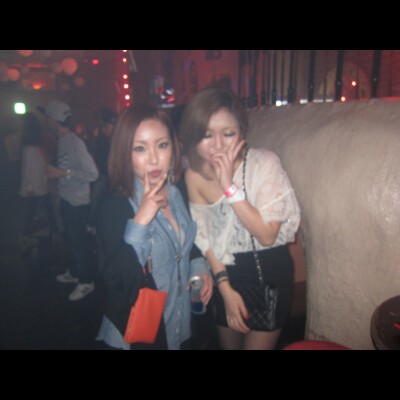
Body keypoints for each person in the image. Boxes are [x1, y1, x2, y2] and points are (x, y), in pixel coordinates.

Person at [179, 87, 301, 350]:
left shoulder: (264, 164)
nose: (218, 145)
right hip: (226, 278)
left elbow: (267, 235)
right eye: (206, 135)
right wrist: (225, 290)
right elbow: (206, 239)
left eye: (228, 133)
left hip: (268, 275)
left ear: (241, 132)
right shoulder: (194, 176)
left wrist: (229, 186)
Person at [95, 103, 213, 350]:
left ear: (174, 148)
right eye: (140, 148)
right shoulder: (114, 205)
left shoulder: (178, 192)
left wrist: (198, 266)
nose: (154, 159)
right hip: (140, 334)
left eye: (162, 145)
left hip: (180, 323)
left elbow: (186, 243)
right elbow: (117, 277)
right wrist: (140, 221)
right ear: (124, 154)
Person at [45, 100, 99, 301]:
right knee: (70, 240)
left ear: (54, 120)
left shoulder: (74, 142)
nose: (46, 121)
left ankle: (87, 281)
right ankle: (75, 272)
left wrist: (63, 172)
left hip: (77, 203)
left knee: (79, 244)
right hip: (67, 199)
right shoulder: (62, 140)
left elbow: (93, 174)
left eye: (48, 117)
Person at [19, 112, 57, 236]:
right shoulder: (39, 147)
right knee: (46, 208)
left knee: (31, 211)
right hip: (40, 183)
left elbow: (27, 170)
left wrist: (29, 187)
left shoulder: (28, 149)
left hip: (33, 186)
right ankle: (54, 231)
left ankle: (29, 234)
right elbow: (44, 163)